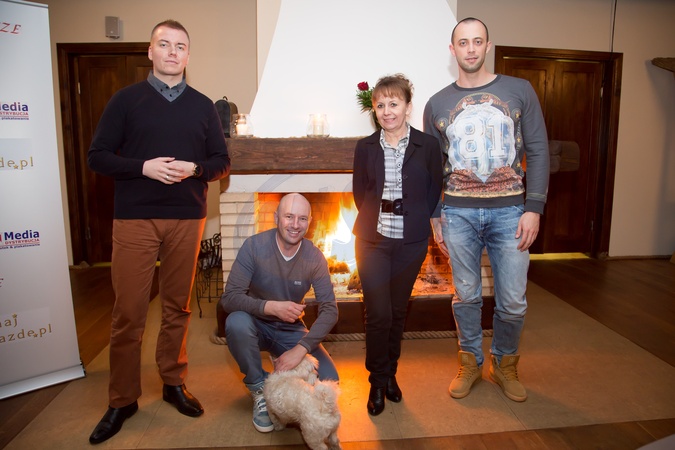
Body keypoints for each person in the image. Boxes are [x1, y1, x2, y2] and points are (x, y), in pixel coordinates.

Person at [87, 20, 231, 444]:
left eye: (180, 46)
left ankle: (173, 382)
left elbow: (221, 162)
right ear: (150, 52)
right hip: (135, 218)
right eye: (164, 44)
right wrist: (143, 168)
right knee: (128, 312)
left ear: (188, 55)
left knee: (176, 308)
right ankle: (122, 399)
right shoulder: (125, 100)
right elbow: (97, 156)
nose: (172, 52)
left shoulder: (203, 106)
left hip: (187, 218)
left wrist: (196, 168)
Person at [423, 17, 549, 403]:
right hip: (457, 214)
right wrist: (434, 213)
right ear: (453, 50)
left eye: (478, 41)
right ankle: (471, 363)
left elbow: (538, 149)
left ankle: (504, 363)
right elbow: (431, 166)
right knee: (466, 296)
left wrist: (534, 208)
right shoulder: (436, 103)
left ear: (488, 45)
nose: (471, 49)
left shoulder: (520, 90)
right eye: (463, 42)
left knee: (512, 300)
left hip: (511, 213)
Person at [352, 74, 443, 416]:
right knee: (378, 313)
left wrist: (415, 217)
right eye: (380, 105)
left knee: (398, 311)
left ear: (407, 106)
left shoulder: (428, 145)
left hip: (411, 242)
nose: (387, 111)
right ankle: (377, 381)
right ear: (374, 110)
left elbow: (434, 190)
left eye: (394, 103)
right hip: (372, 241)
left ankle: (390, 373)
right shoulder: (365, 147)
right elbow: (360, 193)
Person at [220, 193, 339, 433]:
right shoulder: (254, 247)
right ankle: (258, 387)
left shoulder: (314, 257)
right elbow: (229, 298)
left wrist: (301, 349)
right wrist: (270, 306)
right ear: (276, 218)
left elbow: (330, 310)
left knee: (329, 379)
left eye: (302, 218)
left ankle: (282, 371)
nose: (295, 225)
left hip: (290, 328)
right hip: (255, 324)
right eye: (289, 216)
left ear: (309, 222)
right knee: (236, 322)